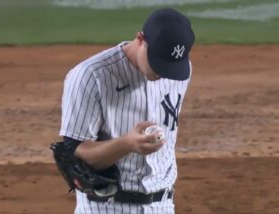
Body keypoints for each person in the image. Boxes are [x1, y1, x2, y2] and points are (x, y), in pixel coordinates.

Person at [59, 8, 195, 214]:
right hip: (105, 207)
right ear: (140, 39)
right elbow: (73, 153)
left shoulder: (179, 72)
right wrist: (127, 144)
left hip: (163, 205)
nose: (163, 72)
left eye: (170, 66)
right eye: (157, 62)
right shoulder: (90, 76)